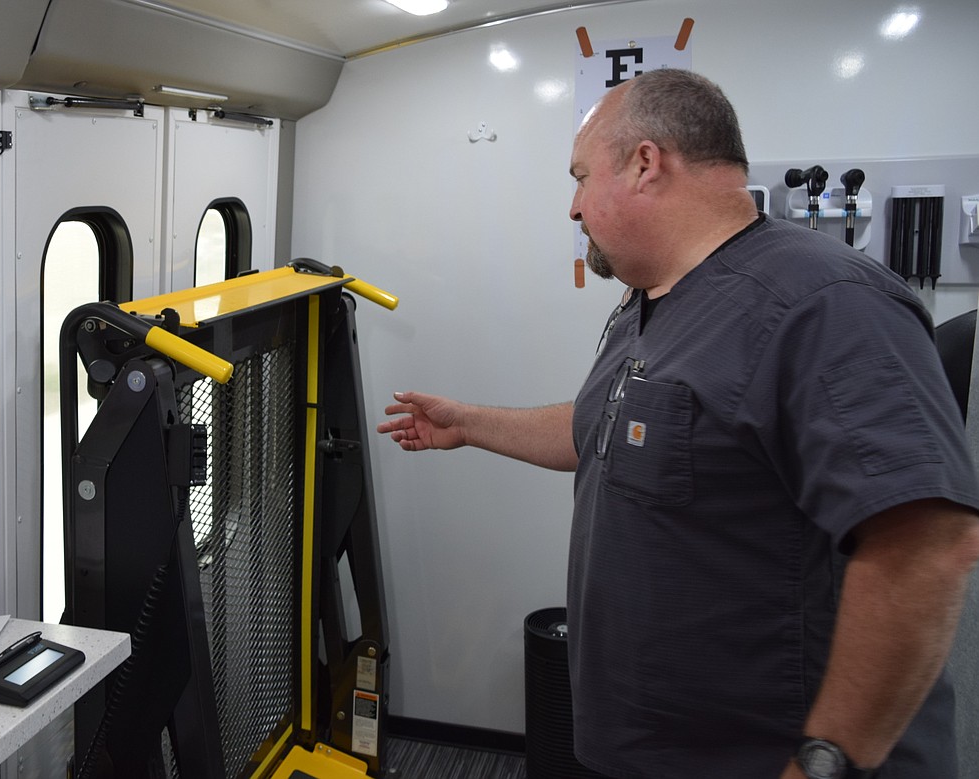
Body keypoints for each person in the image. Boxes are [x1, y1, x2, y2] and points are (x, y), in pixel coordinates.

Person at [377, 69, 979, 779]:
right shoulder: (650, 302)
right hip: (649, 748)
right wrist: (468, 422)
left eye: (578, 177)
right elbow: (612, 430)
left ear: (643, 163)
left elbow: (927, 545)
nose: (572, 207)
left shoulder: (824, 302)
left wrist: (826, 764)